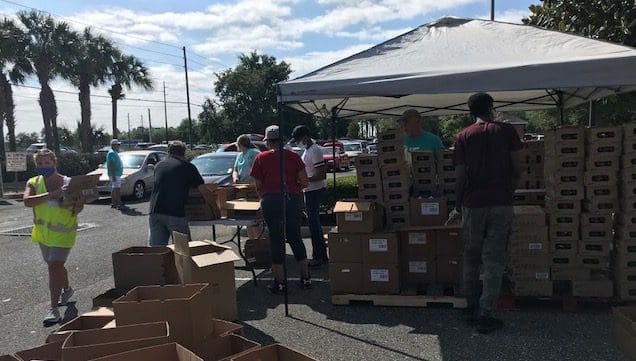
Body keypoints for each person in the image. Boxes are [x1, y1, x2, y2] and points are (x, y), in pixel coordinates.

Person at [453, 92, 522, 334]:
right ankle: (486, 312)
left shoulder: (463, 136)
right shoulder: (507, 131)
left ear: (470, 112)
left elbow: (460, 176)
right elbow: (518, 166)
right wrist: (509, 189)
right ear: (492, 108)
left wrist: (457, 204)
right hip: (501, 202)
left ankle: (469, 305)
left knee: (471, 256)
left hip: (473, 204)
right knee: (494, 259)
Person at [23, 149, 84, 325]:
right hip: (44, 234)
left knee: (54, 266)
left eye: (47, 163)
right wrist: (53, 195)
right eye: (40, 164)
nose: (44, 166)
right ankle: (67, 289)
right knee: (56, 266)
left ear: (54, 163)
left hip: (64, 233)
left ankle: (53, 308)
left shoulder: (68, 182)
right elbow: (27, 201)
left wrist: (78, 205)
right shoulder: (33, 182)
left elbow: (79, 206)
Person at [250, 125, 311, 294]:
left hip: (270, 200)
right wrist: (294, 187)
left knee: (276, 239)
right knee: (295, 237)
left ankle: (279, 282)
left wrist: (265, 197)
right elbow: (305, 182)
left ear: (268, 142)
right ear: (282, 140)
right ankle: (305, 277)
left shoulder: (261, 158)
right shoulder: (294, 157)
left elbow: (258, 186)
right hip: (292, 199)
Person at [148, 141, 204, 246]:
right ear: (184, 153)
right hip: (175, 213)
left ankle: (158, 263)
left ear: (168, 152)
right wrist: (214, 207)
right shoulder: (188, 167)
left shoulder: (159, 166)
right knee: (183, 249)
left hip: (155, 211)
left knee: (156, 250)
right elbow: (202, 189)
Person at [292, 125, 328, 267]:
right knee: (314, 224)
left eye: (298, 140)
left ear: (305, 138)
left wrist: (304, 180)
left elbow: (321, 174)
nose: (297, 143)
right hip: (310, 190)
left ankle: (318, 256)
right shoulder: (309, 150)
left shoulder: (314, 150)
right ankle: (321, 255)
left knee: (314, 225)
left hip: (315, 190)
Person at [106, 139, 124, 209]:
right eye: (117, 145)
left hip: (116, 174)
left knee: (114, 188)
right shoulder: (112, 153)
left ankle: (113, 203)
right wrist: (113, 175)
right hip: (115, 174)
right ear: (113, 145)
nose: (118, 146)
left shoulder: (113, 152)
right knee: (117, 189)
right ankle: (119, 203)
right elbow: (112, 165)